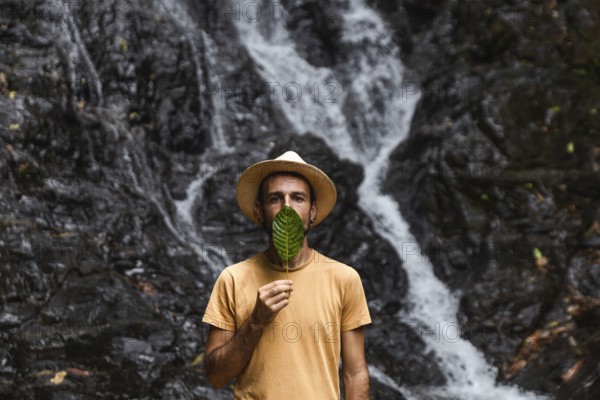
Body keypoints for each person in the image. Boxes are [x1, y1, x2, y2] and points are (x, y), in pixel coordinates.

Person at [202, 151, 372, 399]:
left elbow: (355, 373)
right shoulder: (232, 279)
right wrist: (256, 321)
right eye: (275, 198)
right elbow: (216, 376)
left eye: (298, 198)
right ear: (259, 210)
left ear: (313, 210)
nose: (287, 208)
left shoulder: (344, 279)